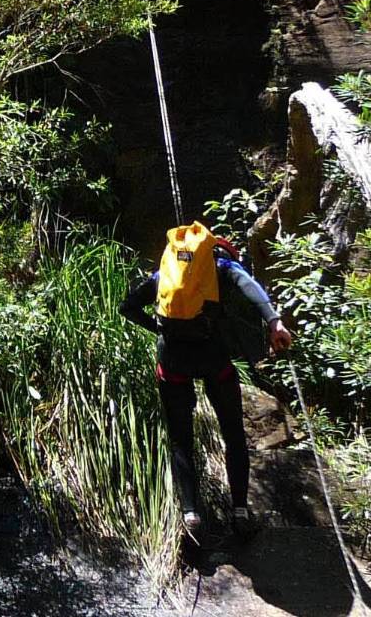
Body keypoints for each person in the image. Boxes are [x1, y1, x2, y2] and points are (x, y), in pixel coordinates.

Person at [121, 228, 293, 535]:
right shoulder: (222, 267)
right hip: (215, 362)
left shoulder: (166, 273)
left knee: (180, 440)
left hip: (173, 362)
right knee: (233, 434)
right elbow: (251, 288)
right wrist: (274, 322)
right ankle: (239, 510)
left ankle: (191, 514)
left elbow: (128, 307)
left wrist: (159, 330)